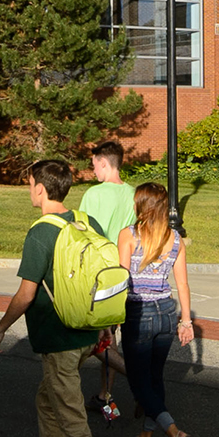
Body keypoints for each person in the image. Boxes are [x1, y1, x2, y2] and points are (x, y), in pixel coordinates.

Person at [0, 159, 110, 437]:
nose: (30, 191)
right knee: (48, 400)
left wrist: (0, 328)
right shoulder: (87, 222)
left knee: (72, 419)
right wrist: (106, 327)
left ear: (39, 188)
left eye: (29, 185)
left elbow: (26, 294)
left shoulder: (42, 232)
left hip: (59, 339)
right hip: (88, 331)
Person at [113, 183, 197, 437]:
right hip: (166, 313)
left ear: (141, 206)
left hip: (138, 313)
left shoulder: (129, 235)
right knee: (154, 378)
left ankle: (175, 434)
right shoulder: (174, 238)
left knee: (138, 382)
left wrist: (111, 320)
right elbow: (183, 284)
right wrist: (186, 322)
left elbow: (121, 281)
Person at [76, 141, 134, 422]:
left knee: (88, 341)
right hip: (121, 276)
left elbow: (83, 236)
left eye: (94, 164)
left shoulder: (93, 195)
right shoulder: (133, 194)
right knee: (110, 339)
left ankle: (139, 382)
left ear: (104, 163)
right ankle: (105, 398)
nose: (93, 170)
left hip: (96, 275)